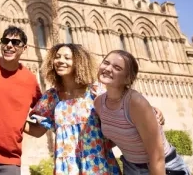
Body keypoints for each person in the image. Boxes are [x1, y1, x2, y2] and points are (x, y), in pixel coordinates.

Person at [30, 44, 166, 175]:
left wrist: (151, 110)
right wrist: (10, 118)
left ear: (79, 62)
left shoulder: (96, 91)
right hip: (67, 167)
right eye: (57, 57)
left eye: (67, 57)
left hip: (98, 164)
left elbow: (120, 104)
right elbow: (38, 130)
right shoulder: (51, 97)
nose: (60, 61)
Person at [95, 50, 191, 175]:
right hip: (131, 167)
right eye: (106, 62)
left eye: (117, 67)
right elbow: (119, 135)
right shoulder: (99, 103)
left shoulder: (135, 102)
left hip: (164, 168)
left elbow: (157, 156)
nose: (107, 68)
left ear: (128, 78)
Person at [0, 26, 46, 175]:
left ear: (24, 48)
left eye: (15, 42)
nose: (9, 45)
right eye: (6, 41)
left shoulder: (30, 80)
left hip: (10, 161)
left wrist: (18, 124)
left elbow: (43, 119)